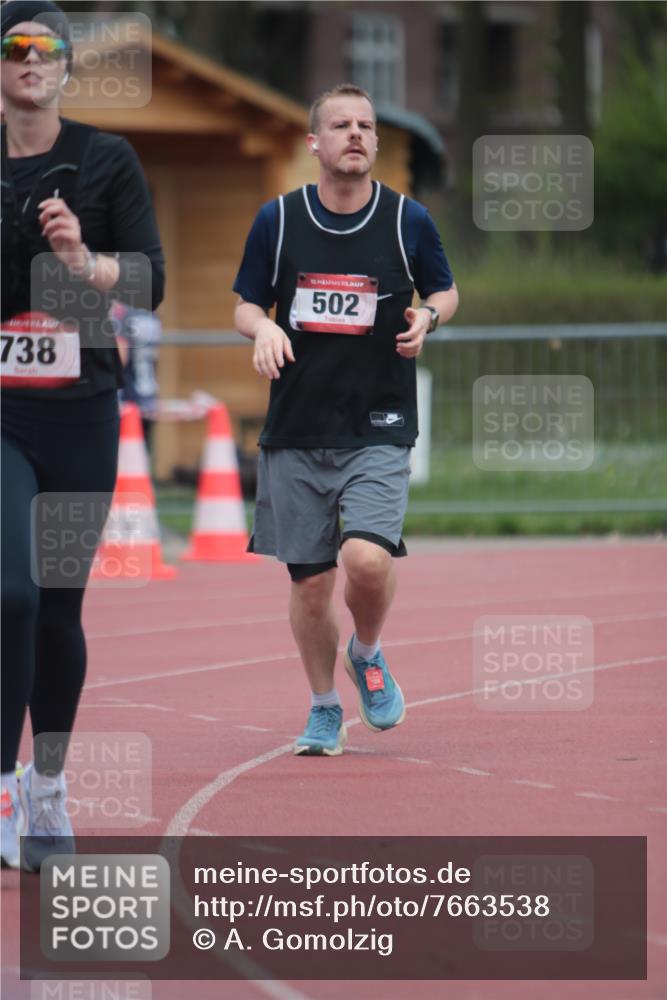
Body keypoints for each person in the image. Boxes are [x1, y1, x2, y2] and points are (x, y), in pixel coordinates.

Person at [233, 83, 458, 756]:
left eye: (365, 125)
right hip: (297, 426)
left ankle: (367, 651)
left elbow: (444, 289)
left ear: (375, 144)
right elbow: (244, 303)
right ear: (315, 143)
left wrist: (428, 315)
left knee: (364, 559)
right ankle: (324, 708)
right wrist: (261, 331)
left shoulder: (405, 220)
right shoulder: (277, 220)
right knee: (309, 585)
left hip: (378, 423)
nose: (355, 134)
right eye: (340, 125)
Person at [0, 0, 165, 870]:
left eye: (47, 48)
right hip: (0, 410)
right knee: (10, 594)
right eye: (15, 46)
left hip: (79, 405)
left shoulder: (105, 160)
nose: (31, 58)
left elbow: (149, 282)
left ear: (65, 67)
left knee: (58, 607)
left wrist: (82, 265)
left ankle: (48, 786)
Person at [112, 301, 162, 454]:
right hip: (147, 393)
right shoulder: (150, 313)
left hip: (126, 397)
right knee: (140, 457)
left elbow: (118, 359)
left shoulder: (120, 312)